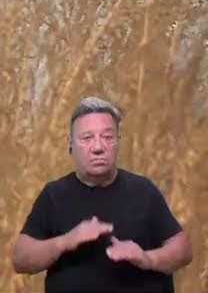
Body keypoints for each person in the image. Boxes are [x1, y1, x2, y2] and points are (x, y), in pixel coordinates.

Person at [11, 96, 193, 292]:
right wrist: (65, 241)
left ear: (118, 142)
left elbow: (182, 250)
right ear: (70, 143)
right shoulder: (53, 195)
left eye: (107, 137)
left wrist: (147, 258)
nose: (98, 147)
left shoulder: (144, 190)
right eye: (87, 138)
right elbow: (21, 260)